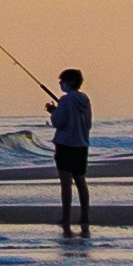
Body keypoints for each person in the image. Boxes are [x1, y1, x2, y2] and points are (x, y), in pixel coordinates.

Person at [48, 67, 96, 234]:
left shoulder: (66, 100)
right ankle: (84, 216)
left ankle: (66, 217)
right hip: (81, 144)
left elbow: (58, 122)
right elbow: (88, 124)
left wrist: (53, 111)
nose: (60, 84)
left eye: (62, 81)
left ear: (70, 82)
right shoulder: (85, 99)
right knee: (81, 181)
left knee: (66, 182)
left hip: (65, 145)